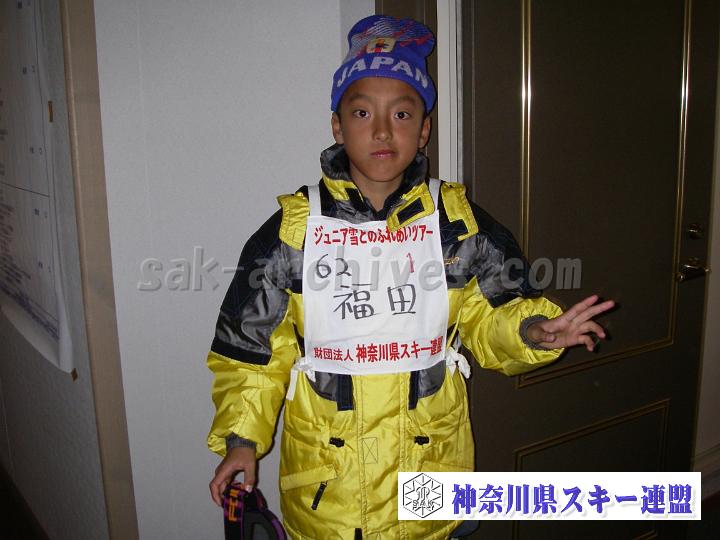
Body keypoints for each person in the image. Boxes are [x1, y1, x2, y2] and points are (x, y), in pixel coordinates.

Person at [207, 14, 614, 539]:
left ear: (424, 129)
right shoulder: (294, 232)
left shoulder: (458, 225)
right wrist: (241, 440)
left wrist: (532, 331)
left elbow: (491, 313)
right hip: (329, 490)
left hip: (431, 474)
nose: (382, 131)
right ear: (337, 125)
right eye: (362, 112)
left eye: (402, 114)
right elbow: (250, 351)